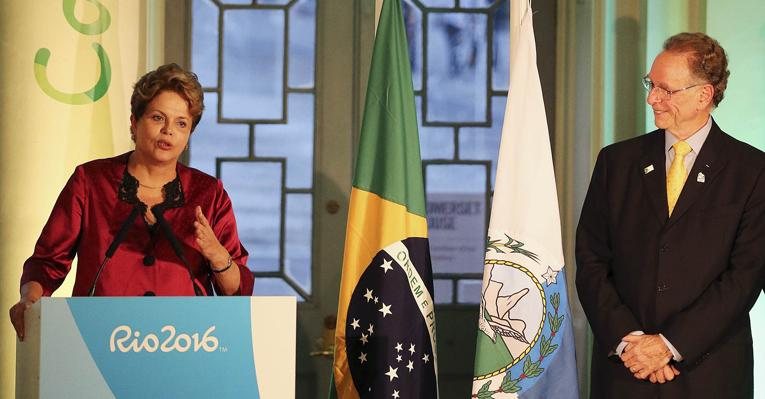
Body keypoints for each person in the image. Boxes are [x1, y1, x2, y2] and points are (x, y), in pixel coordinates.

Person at [576, 32, 765, 398]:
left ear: (703, 95)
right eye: (651, 84)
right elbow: (591, 259)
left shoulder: (752, 171)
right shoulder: (616, 163)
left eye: (665, 89)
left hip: (708, 373)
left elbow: (746, 276)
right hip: (625, 371)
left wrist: (669, 345)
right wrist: (631, 343)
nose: (652, 98)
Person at [9, 63, 255, 340]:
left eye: (181, 123)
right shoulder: (90, 181)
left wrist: (218, 256)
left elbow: (237, 291)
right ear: (134, 123)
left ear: (188, 137)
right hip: (97, 344)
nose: (168, 131)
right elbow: (47, 263)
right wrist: (28, 301)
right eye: (157, 118)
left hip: (187, 347)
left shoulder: (209, 193)